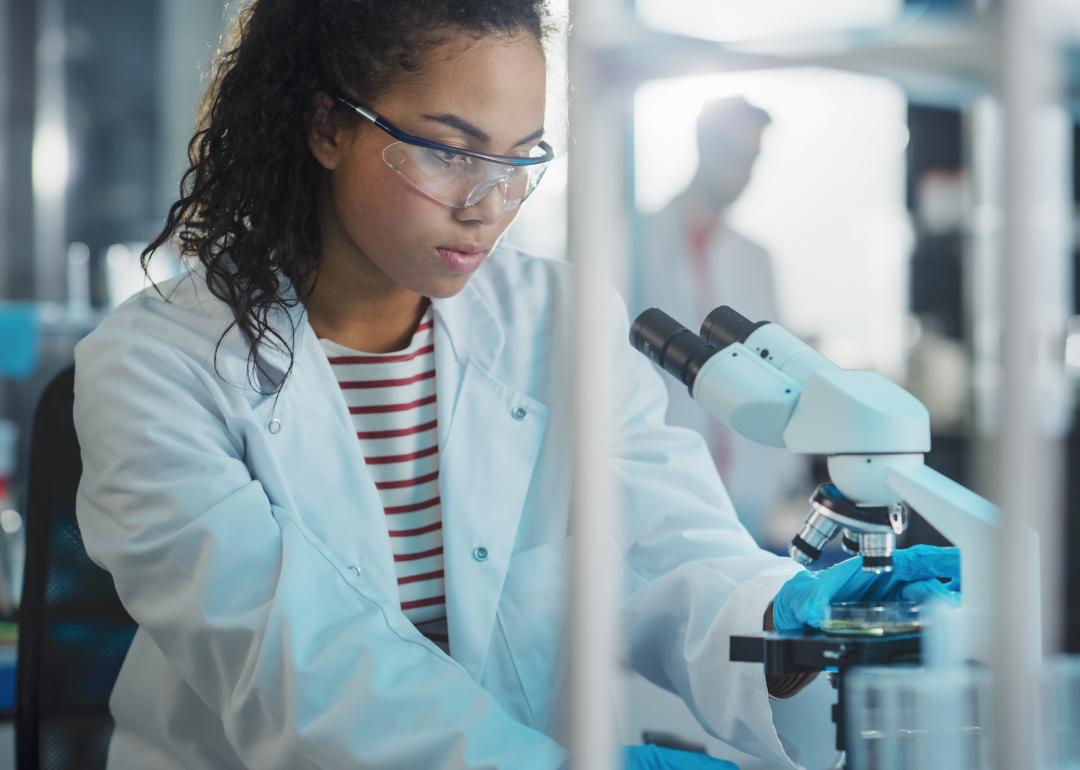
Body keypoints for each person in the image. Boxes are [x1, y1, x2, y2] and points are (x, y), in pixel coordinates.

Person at [71, 2, 960, 769]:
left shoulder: (560, 321)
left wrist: (784, 619)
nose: (488, 201)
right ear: (326, 127)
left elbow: (664, 546)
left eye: (520, 159)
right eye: (448, 152)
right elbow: (299, 661)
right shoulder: (154, 370)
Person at [638, 97, 803, 546]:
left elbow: (779, 369)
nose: (743, 173)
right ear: (702, 145)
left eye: (752, 159)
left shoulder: (756, 258)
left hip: (746, 488)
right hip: (659, 477)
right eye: (733, 155)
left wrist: (780, 477)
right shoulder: (634, 239)